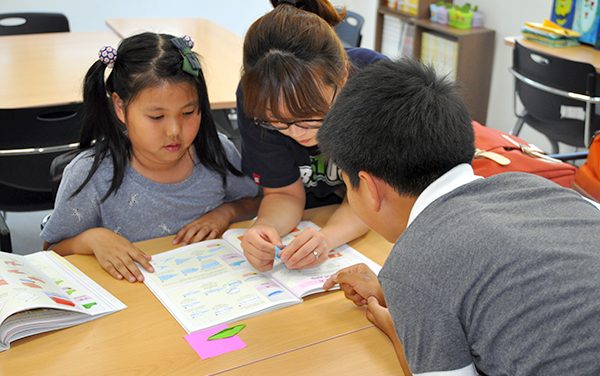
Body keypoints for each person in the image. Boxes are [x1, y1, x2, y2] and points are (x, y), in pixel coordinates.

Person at [319, 59, 600, 375]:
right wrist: (398, 298)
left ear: (369, 188)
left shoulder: (414, 263)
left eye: (345, 180)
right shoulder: (532, 185)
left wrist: (397, 328)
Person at [41, 32, 260, 283]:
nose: (175, 131)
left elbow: (254, 201)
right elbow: (51, 250)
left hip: (206, 289)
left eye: (188, 112)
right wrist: (91, 239)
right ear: (120, 107)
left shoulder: (216, 152)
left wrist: (227, 212)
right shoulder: (91, 174)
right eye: (157, 117)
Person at [238, 0, 386, 272]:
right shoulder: (257, 99)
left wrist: (326, 239)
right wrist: (264, 228)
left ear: (341, 76)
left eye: (310, 118)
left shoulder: (377, 87)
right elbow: (283, 192)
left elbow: (374, 198)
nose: (295, 133)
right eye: (277, 123)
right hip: (316, 212)